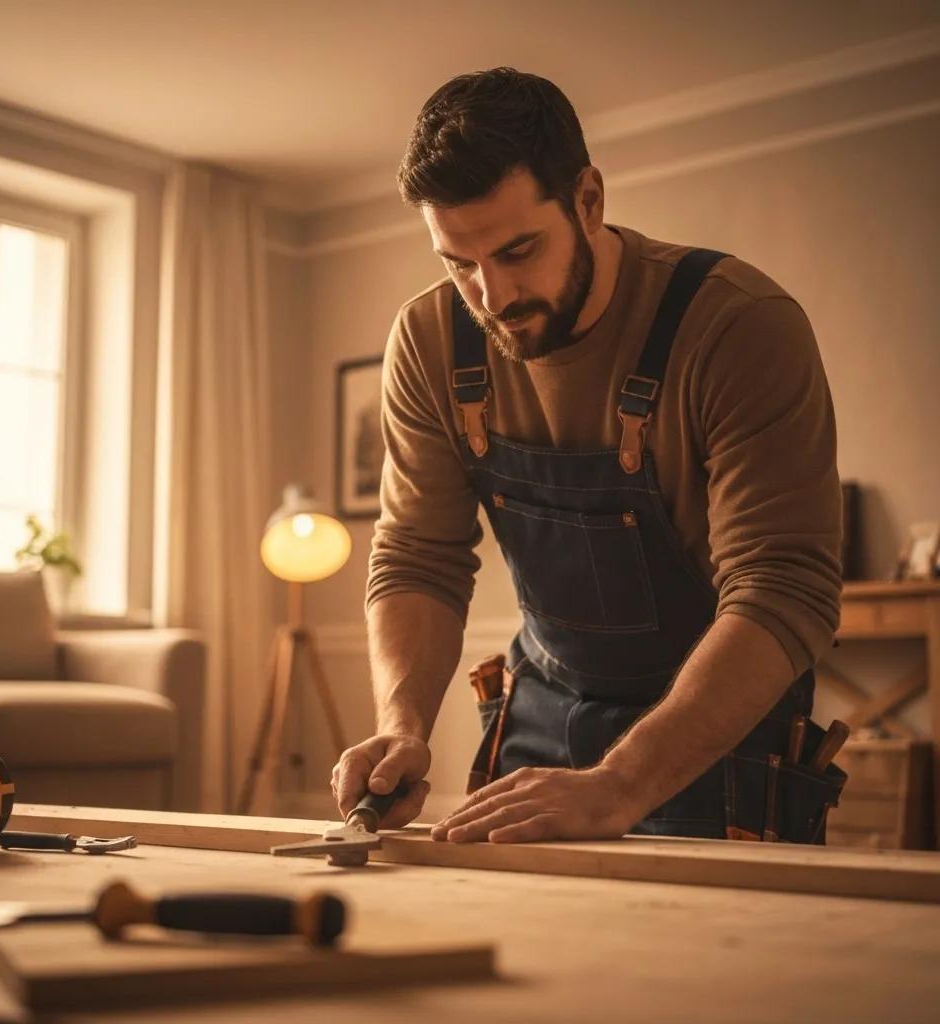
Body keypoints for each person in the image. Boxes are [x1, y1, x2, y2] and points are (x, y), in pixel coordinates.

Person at [331, 67, 844, 844]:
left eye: (518, 250)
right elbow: (417, 559)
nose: (493, 296)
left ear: (590, 199)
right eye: (459, 263)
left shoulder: (739, 324)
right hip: (541, 712)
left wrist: (621, 784)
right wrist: (401, 725)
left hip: (723, 730)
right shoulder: (430, 341)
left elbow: (784, 588)